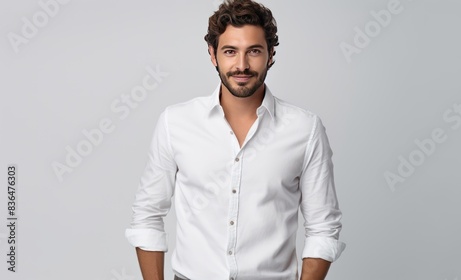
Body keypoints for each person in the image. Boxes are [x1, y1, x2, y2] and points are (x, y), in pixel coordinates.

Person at [125, 0, 346, 279]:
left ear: (271, 54)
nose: (241, 65)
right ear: (213, 54)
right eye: (230, 51)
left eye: (253, 51)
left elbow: (323, 227)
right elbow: (147, 215)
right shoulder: (175, 123)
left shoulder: (305, 128)